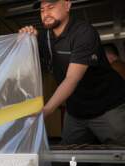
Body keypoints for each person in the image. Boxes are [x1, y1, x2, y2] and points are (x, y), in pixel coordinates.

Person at [19, 0, 125, 146]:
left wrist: (46, 111)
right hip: (76, 110)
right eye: (42, 10)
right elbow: (24, 66)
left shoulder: (83, 33)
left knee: (117, 157)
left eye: (51, 7)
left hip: (107, 106)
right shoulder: (44, 37)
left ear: (67, 5)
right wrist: (27, 40)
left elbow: (71, 79)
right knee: (70, 159)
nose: (45, 13)